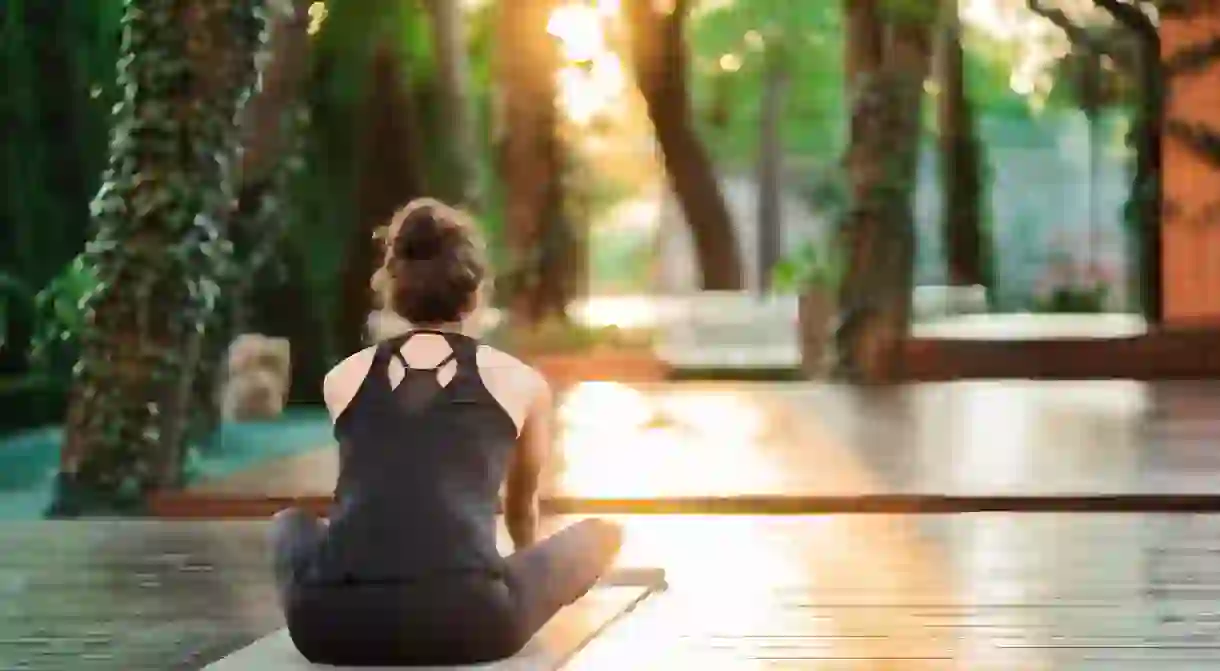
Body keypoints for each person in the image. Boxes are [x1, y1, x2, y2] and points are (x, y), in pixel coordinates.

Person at [270, 198, 626, 666]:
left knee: (288, 525)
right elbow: (520, 511)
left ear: (392, 291)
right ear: (475, 293)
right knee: (603, 534)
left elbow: (371, 494)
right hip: (470, 622)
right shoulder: (520, 381)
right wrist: (521, 569)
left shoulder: (343, 378)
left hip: (329, 624)